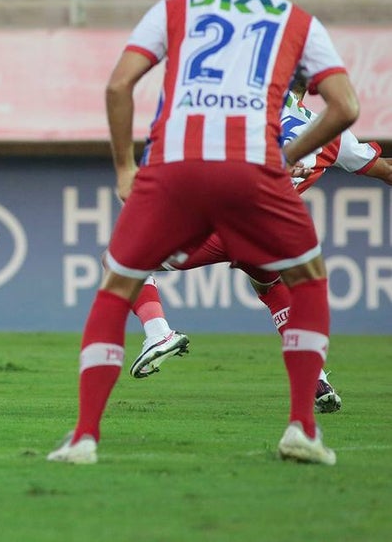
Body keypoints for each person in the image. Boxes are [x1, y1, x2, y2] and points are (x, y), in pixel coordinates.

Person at [47, 0, 361, 466]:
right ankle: (302, 429)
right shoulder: (298, 21)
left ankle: (84, 437)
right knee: (307, 282)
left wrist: (124, 168)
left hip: (175, 167)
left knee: (118, 282)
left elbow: (119, 84)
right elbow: (347, 107)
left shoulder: (175, 8)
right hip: (253, 170)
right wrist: (285, 155)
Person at [124, 79, 392, 413]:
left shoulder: (250, 108)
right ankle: (316, 378)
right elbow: (384, 171)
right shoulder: (333, 134)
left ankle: (159, 334)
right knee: (270, 287)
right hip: (269, 234)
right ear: (308, 87)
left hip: (226, 220)